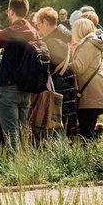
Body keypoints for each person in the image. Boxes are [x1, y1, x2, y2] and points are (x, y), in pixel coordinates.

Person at [0, 0, 39, 151]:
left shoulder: (11, 31)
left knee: (10, 133)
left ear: (11, 11)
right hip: (25, 90)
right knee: (22, 131)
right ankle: (25, 164)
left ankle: (14, 168)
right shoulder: (32, 31)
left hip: (8, 90)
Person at [34, 7, 77, 136]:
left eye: (39, 24)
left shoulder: (51, 43)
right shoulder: (63, 38)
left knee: (57, 133)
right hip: (66, 92)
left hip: (57, 92)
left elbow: (46, 70)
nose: (38, 28)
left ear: (46, 23)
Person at [68, 17, 103, 141]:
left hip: (89, 94)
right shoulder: (92, 42)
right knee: (88, 130)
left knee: (86, 132)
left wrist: (62, 65)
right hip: (95, 91)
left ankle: (87, 158)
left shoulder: (87, 44)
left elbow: (78, 67)